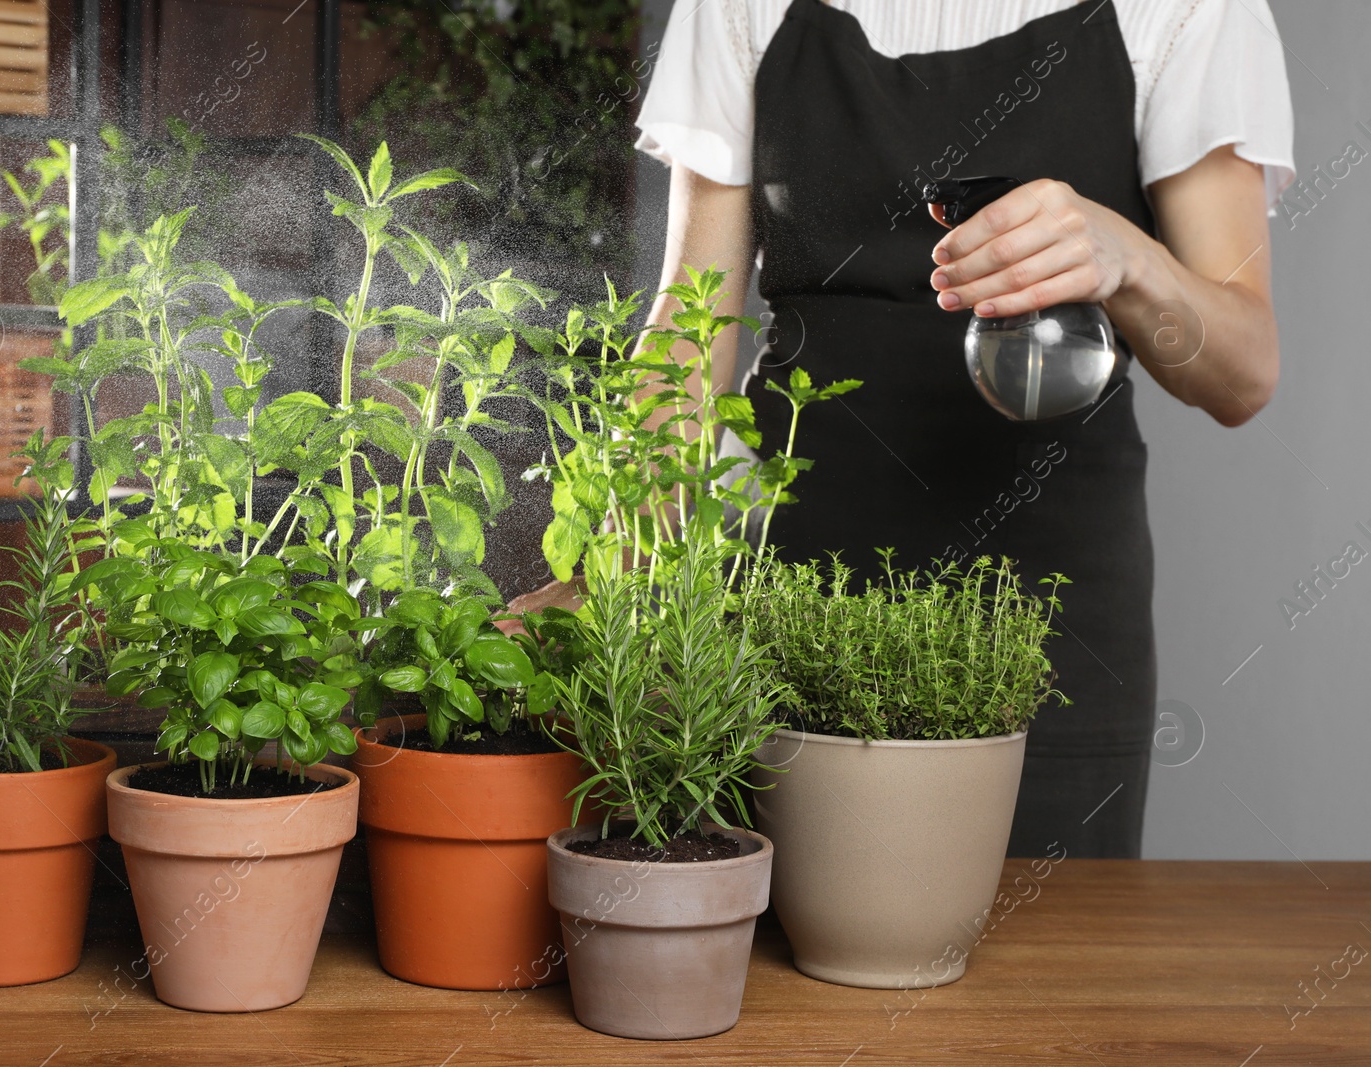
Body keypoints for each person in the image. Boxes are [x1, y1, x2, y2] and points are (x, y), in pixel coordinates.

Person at [515, 0, 1295, 858]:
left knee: (1047, 974)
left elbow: (1243, 370)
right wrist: (615, 561)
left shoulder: (1184, 11)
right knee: (766, 959)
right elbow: (689, 327)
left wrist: (1128, 258)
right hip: (773, 607)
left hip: (1045, 627)